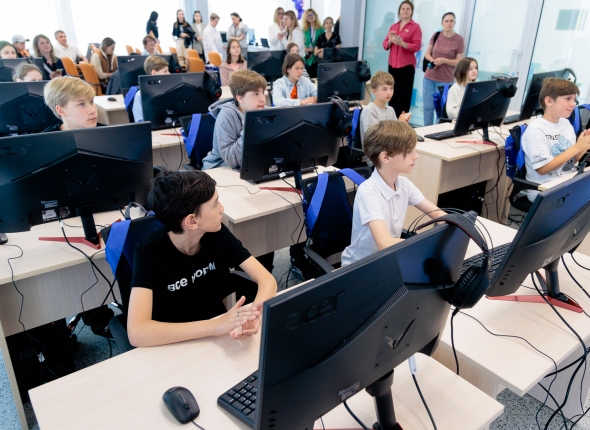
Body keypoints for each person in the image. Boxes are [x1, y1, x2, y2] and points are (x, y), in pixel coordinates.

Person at [127, 169, 277, 347]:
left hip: (217, 334)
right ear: (192, 221)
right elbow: (137, 332)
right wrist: (214, 326)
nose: (222, 208)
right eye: (215, 204)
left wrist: (253, 316)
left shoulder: (217, 233)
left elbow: (267, 280)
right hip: (172, 341)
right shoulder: (148, 254)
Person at [341, 120, 446, 265]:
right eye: (409, 151)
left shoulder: (404, 184)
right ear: (386, 157)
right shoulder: (369, 192)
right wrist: (425, 248)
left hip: (389, 258)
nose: (416, 156)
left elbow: (438, 214)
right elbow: (384, 243)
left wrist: (456, 225)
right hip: (360, 265)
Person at [521, 78, 590, 202]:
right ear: (549, 101)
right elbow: (542, 169)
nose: (573, 104)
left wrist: (583, 146)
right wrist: (577, 147)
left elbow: (570, 162)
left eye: (574, 99)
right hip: (543, 190)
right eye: (568, 99)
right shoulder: (536, 129)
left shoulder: (566, 124)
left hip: (565, 182)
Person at [202, 69, 267, 170]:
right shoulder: (226, 115)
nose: (263, 99)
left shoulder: (264, 111)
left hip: (252, 164)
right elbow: (232, 160)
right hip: (221, 167)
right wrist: (251, 128)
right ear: (240, 98)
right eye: (256, 94)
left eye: (263, 92)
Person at [423, 12, 464, 126]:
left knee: (441, 110)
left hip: (445, 81)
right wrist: (432, 60)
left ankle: (436, 132)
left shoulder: (459, 39)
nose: (449, 23)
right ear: (442, 23)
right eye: (446, 21)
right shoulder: (436, 35)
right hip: (429, 78)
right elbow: (427, 54)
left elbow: (459, 61)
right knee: (427, 108)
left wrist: (444, 60)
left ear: (455, 23)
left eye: (451, 21)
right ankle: (426, 131)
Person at [382, 1, 422, 117]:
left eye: (408, 9)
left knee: (403, 97)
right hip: (392, 65)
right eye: (403, 9)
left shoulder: (415, 27)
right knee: (391, 95)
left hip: (406, 67)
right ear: (399, 11)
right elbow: (385, 45)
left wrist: (403, 43)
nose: (405, 11)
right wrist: (391, 41)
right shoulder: (393, 26)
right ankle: (391, 121)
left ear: (412, 11)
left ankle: (402, 123)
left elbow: (416, 46)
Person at [360, 71, 411, 147]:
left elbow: (395, 136)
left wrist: (402, 125)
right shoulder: (370, 110)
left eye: (391, 88)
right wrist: (399, 123)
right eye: (384, 89)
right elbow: (375, 138)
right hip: (375, 151)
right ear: (374, 91)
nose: (389, 93)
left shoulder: (391, 110)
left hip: (390, 149)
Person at [132, 56, 170, 123]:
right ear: (154, 73)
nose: (169, 73)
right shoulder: (140, 95)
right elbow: (140, 123)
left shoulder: (169, 91)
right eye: (165, 71)